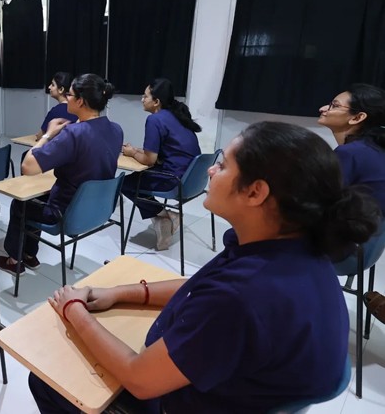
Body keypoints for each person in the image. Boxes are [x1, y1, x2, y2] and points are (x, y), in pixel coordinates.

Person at [30, 121, 380, 414]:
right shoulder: (294, 246)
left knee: (46, 379)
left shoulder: (242, 296)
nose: (211, 169)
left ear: (256, 192)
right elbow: (200, 284)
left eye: (223, 164)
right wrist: (122, 292)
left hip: (183, 401)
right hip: (231, 387)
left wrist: (74, 309)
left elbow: (140, 379)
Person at [0, 73, 123, 275]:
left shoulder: (74, 133)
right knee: (37, 197)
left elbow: (28, 167)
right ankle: (29, 254)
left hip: (65, 214)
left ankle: (14, 259)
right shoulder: (116, 130)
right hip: (97, 209)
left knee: (21, 204)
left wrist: (48, 135)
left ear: (80, 101)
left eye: (70, 95)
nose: (67, 99)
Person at [318, 83, 385, 324]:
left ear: (358, 117)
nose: (323, 108)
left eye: (334, 105)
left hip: (345, 252)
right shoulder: (373, 149)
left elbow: (318, 204)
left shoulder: (352, 154)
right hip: (368, 249)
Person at [121, 78, 201, 250]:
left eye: (145, 96)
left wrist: (131, 152)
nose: (142, 99)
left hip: (174, 179)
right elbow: (160, 154)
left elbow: (149, 161)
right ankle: (163, 217)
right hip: (193, 179)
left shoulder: (155, 120)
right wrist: (138, 151)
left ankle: (164, 215)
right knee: (138, 179)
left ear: (156, 102)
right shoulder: (178, 116)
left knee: (125, 184)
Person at [34, 72, 79, 141]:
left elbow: (41, 136)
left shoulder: (55, 111)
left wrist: (39, 135)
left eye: (52, 85)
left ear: (61, 89)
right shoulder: (79, 109)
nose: (49, 87)